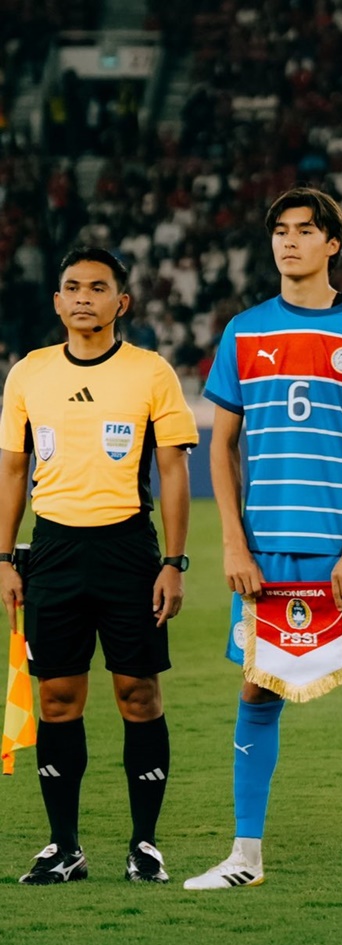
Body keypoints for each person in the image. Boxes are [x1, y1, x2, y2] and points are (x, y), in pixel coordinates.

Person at [184, 187, 342, 893]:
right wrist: (231, 543)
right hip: (265, 548)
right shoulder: (244, 332)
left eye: (305, 231)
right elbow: (219, 445)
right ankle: (245, 854)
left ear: (332, 243)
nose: (289, 242)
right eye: (280, 231)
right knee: (256, 686)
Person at [0, 247, 196, 884]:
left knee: (138, 694)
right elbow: (10, 470)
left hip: (128, 551)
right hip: (52, 550)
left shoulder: (151, 373)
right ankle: (64, 847)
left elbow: (172, 471)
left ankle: (145, 845)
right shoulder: (27, 374)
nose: (84, 297)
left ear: (123, 302)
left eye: (98, 287)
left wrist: (173, 561)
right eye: (72, 287)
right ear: (57, 302)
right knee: (57, 698)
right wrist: (4, 558)